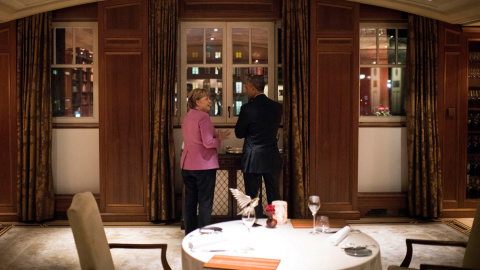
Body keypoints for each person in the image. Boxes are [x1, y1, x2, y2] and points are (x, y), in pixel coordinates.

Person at [181, 88, 231, 235]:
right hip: (203, 165)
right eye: (206, 98)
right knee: (205, 203)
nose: (210, 101)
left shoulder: (187, 117)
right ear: (197, 101)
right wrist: (219, 140)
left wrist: (216, 135)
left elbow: (198, 136)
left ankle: (189, 235)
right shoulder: (203, 117)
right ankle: (203, 234)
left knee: (190, 203)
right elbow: (208, 142)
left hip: (187, 164)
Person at [235, 75, 282, 218]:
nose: (246, 90)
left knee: (253, 196)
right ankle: (276, 221)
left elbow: (239, 133)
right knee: (273, 192)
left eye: (247, 88)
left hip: (253, 157)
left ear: (253, 88)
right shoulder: (277, 107)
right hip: (271, 155)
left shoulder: (247, 108)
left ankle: (257, 222)